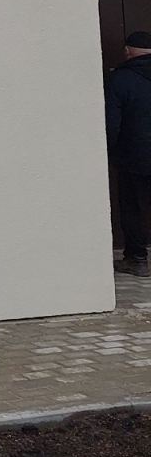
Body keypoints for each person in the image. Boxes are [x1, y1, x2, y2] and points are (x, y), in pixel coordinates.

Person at [105, 30, 151, 277]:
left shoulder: (120, 79)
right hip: (135, 155)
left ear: (127, 51)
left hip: (134, 156)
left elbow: (112, 122)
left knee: (133, 207)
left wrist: (109, 151)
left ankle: (137, 259)